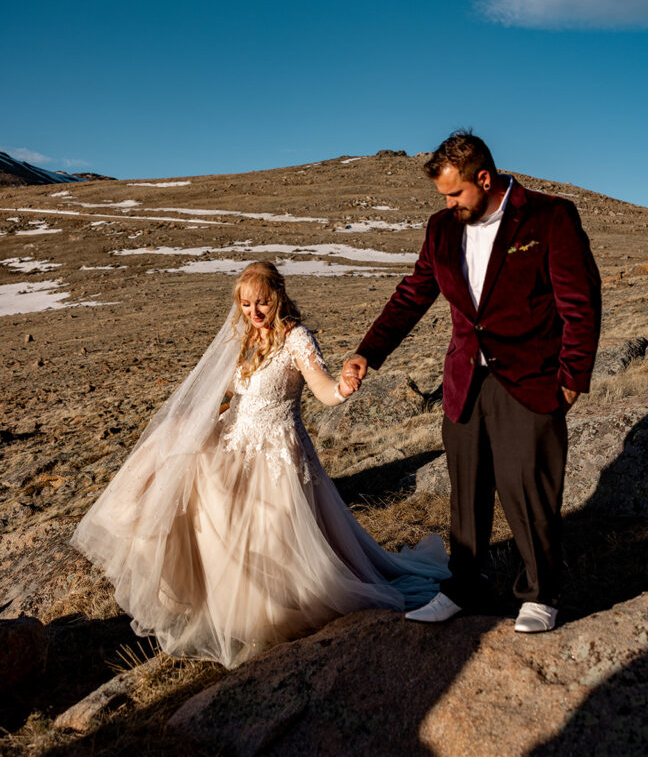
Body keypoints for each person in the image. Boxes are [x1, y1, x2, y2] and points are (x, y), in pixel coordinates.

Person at [70, 261, 448, 668]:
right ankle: (228, 611)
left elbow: (321, 389)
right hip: (234, 442)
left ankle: (272, 615)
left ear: (278, 297)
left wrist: (342, 389)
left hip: (276, 454)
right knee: (211, 519)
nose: (254, 311)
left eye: (262, 302)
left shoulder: (297, 339)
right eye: (246, 303)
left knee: (272, 535)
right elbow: (233, 395)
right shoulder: (245, 338)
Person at [344, 131, 601, 633]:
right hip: (465, 378)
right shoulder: (441, 228)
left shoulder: (550, 217)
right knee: (467, 488)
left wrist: (571, 380)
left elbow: (581, 305)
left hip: (531, 379)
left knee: (527, 486)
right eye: (442, 196)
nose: (448, 203)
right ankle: (464, 586)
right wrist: (367, 353)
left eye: (455, 193)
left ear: (484, 178)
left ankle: (540, 594)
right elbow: (412, 295)